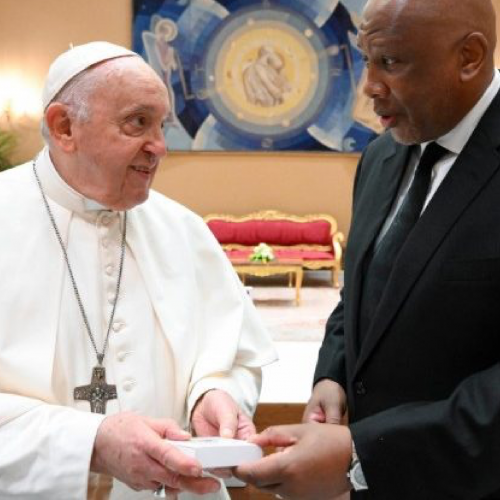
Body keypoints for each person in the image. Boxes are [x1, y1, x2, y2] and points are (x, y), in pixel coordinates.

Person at [235, 0, 500, 498]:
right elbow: (360, 295)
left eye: (391, 62)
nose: (369, 86)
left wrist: (362, 453)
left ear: (469, 57)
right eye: (366, 60)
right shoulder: (381, 154)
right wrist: (331, 376)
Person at [0, 41, 277, 500]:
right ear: (64, 127)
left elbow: (232, 356)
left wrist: (212, 394)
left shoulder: (182, 229)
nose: (160, 147)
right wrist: (89, 442)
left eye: (161, 125)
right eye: (137, 122)